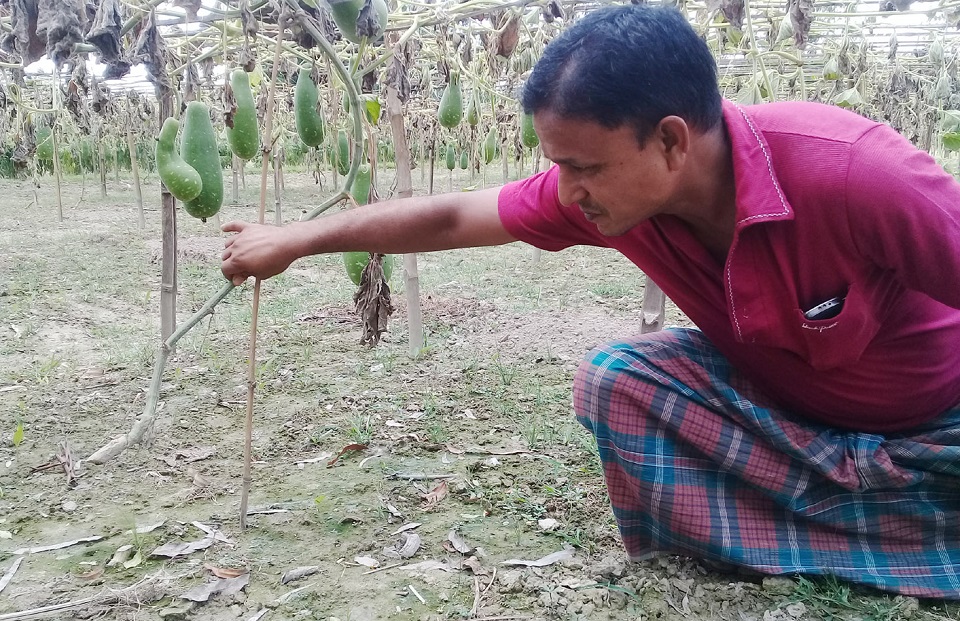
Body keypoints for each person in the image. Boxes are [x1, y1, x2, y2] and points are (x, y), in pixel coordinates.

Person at [222, 4, 960, 599]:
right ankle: (822, 537)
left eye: (583, 167)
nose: (568, 191)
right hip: (796, 419)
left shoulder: (852, 171)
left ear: (671, 141)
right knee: (620, 380)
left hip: (936, 423)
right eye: (557, 166)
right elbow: (453, 216)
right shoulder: (607, 198)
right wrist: (295, 239)